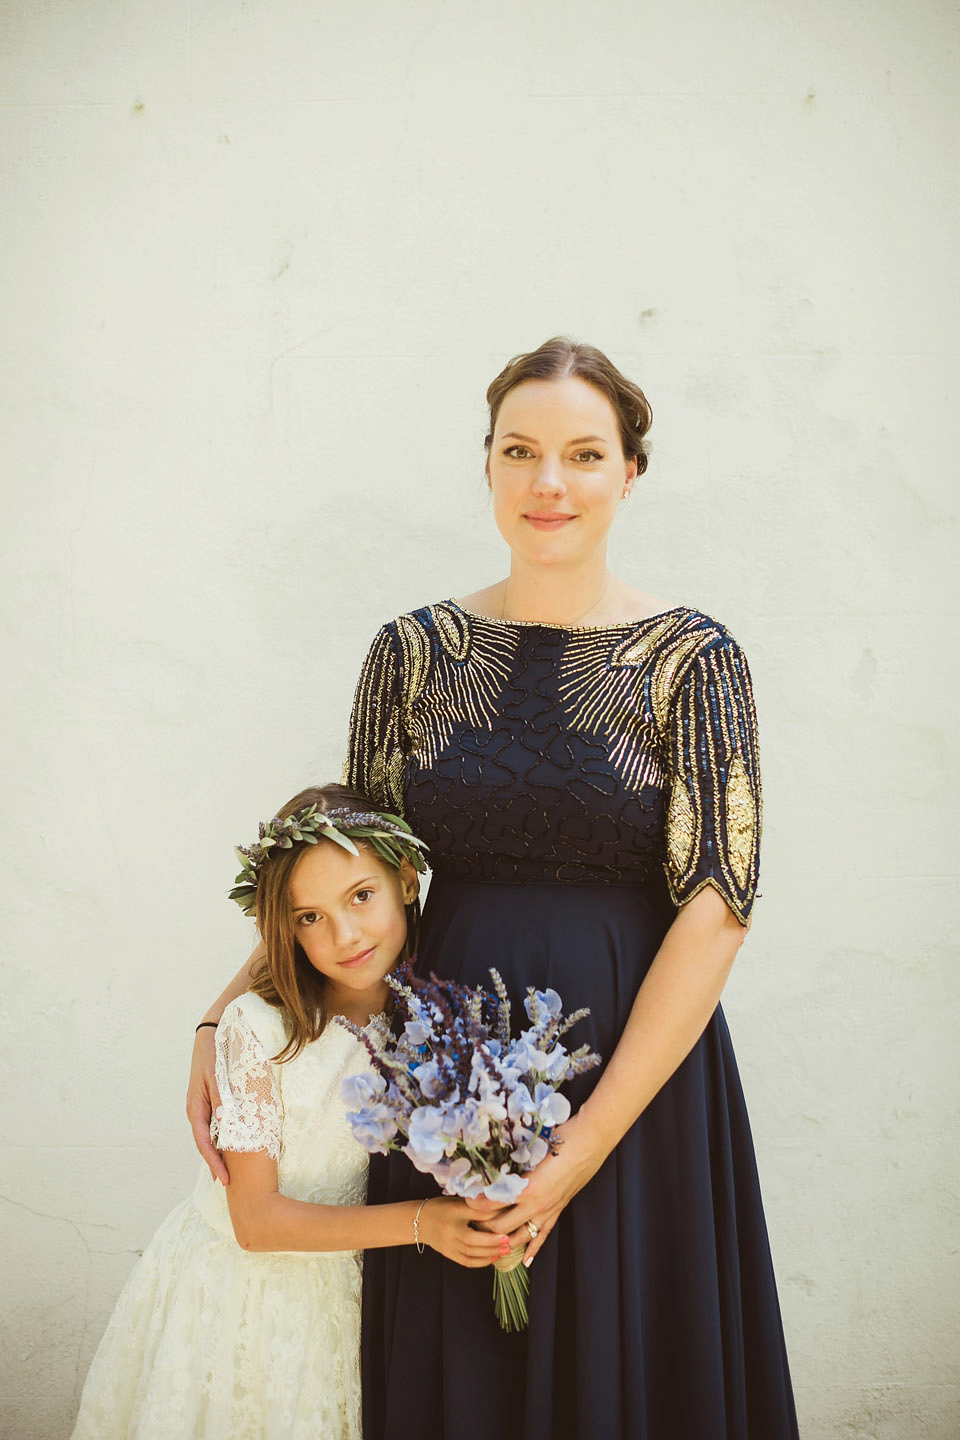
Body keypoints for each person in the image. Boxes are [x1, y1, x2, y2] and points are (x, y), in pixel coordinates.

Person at [188, 337, 799, 1439]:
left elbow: (719, 906)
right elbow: (341, 872)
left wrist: (586, 1146)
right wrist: (231, 1013)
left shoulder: (692, 660)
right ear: (487, 467)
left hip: (634, 1081)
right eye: (520, 452)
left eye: (582, 454)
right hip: (436, 1082)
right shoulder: (410, 653)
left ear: (630, 473)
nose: (548, 483)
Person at [73, 784, 507, 1440]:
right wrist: (427, 1224)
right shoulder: (258, 1028)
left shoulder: (431, 1021)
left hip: (357, 1298)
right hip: (242, 1305)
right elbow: (255, 1221)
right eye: (310, 917)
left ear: (408, 882)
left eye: (361, 896)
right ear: (285, 927)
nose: (345, 935)